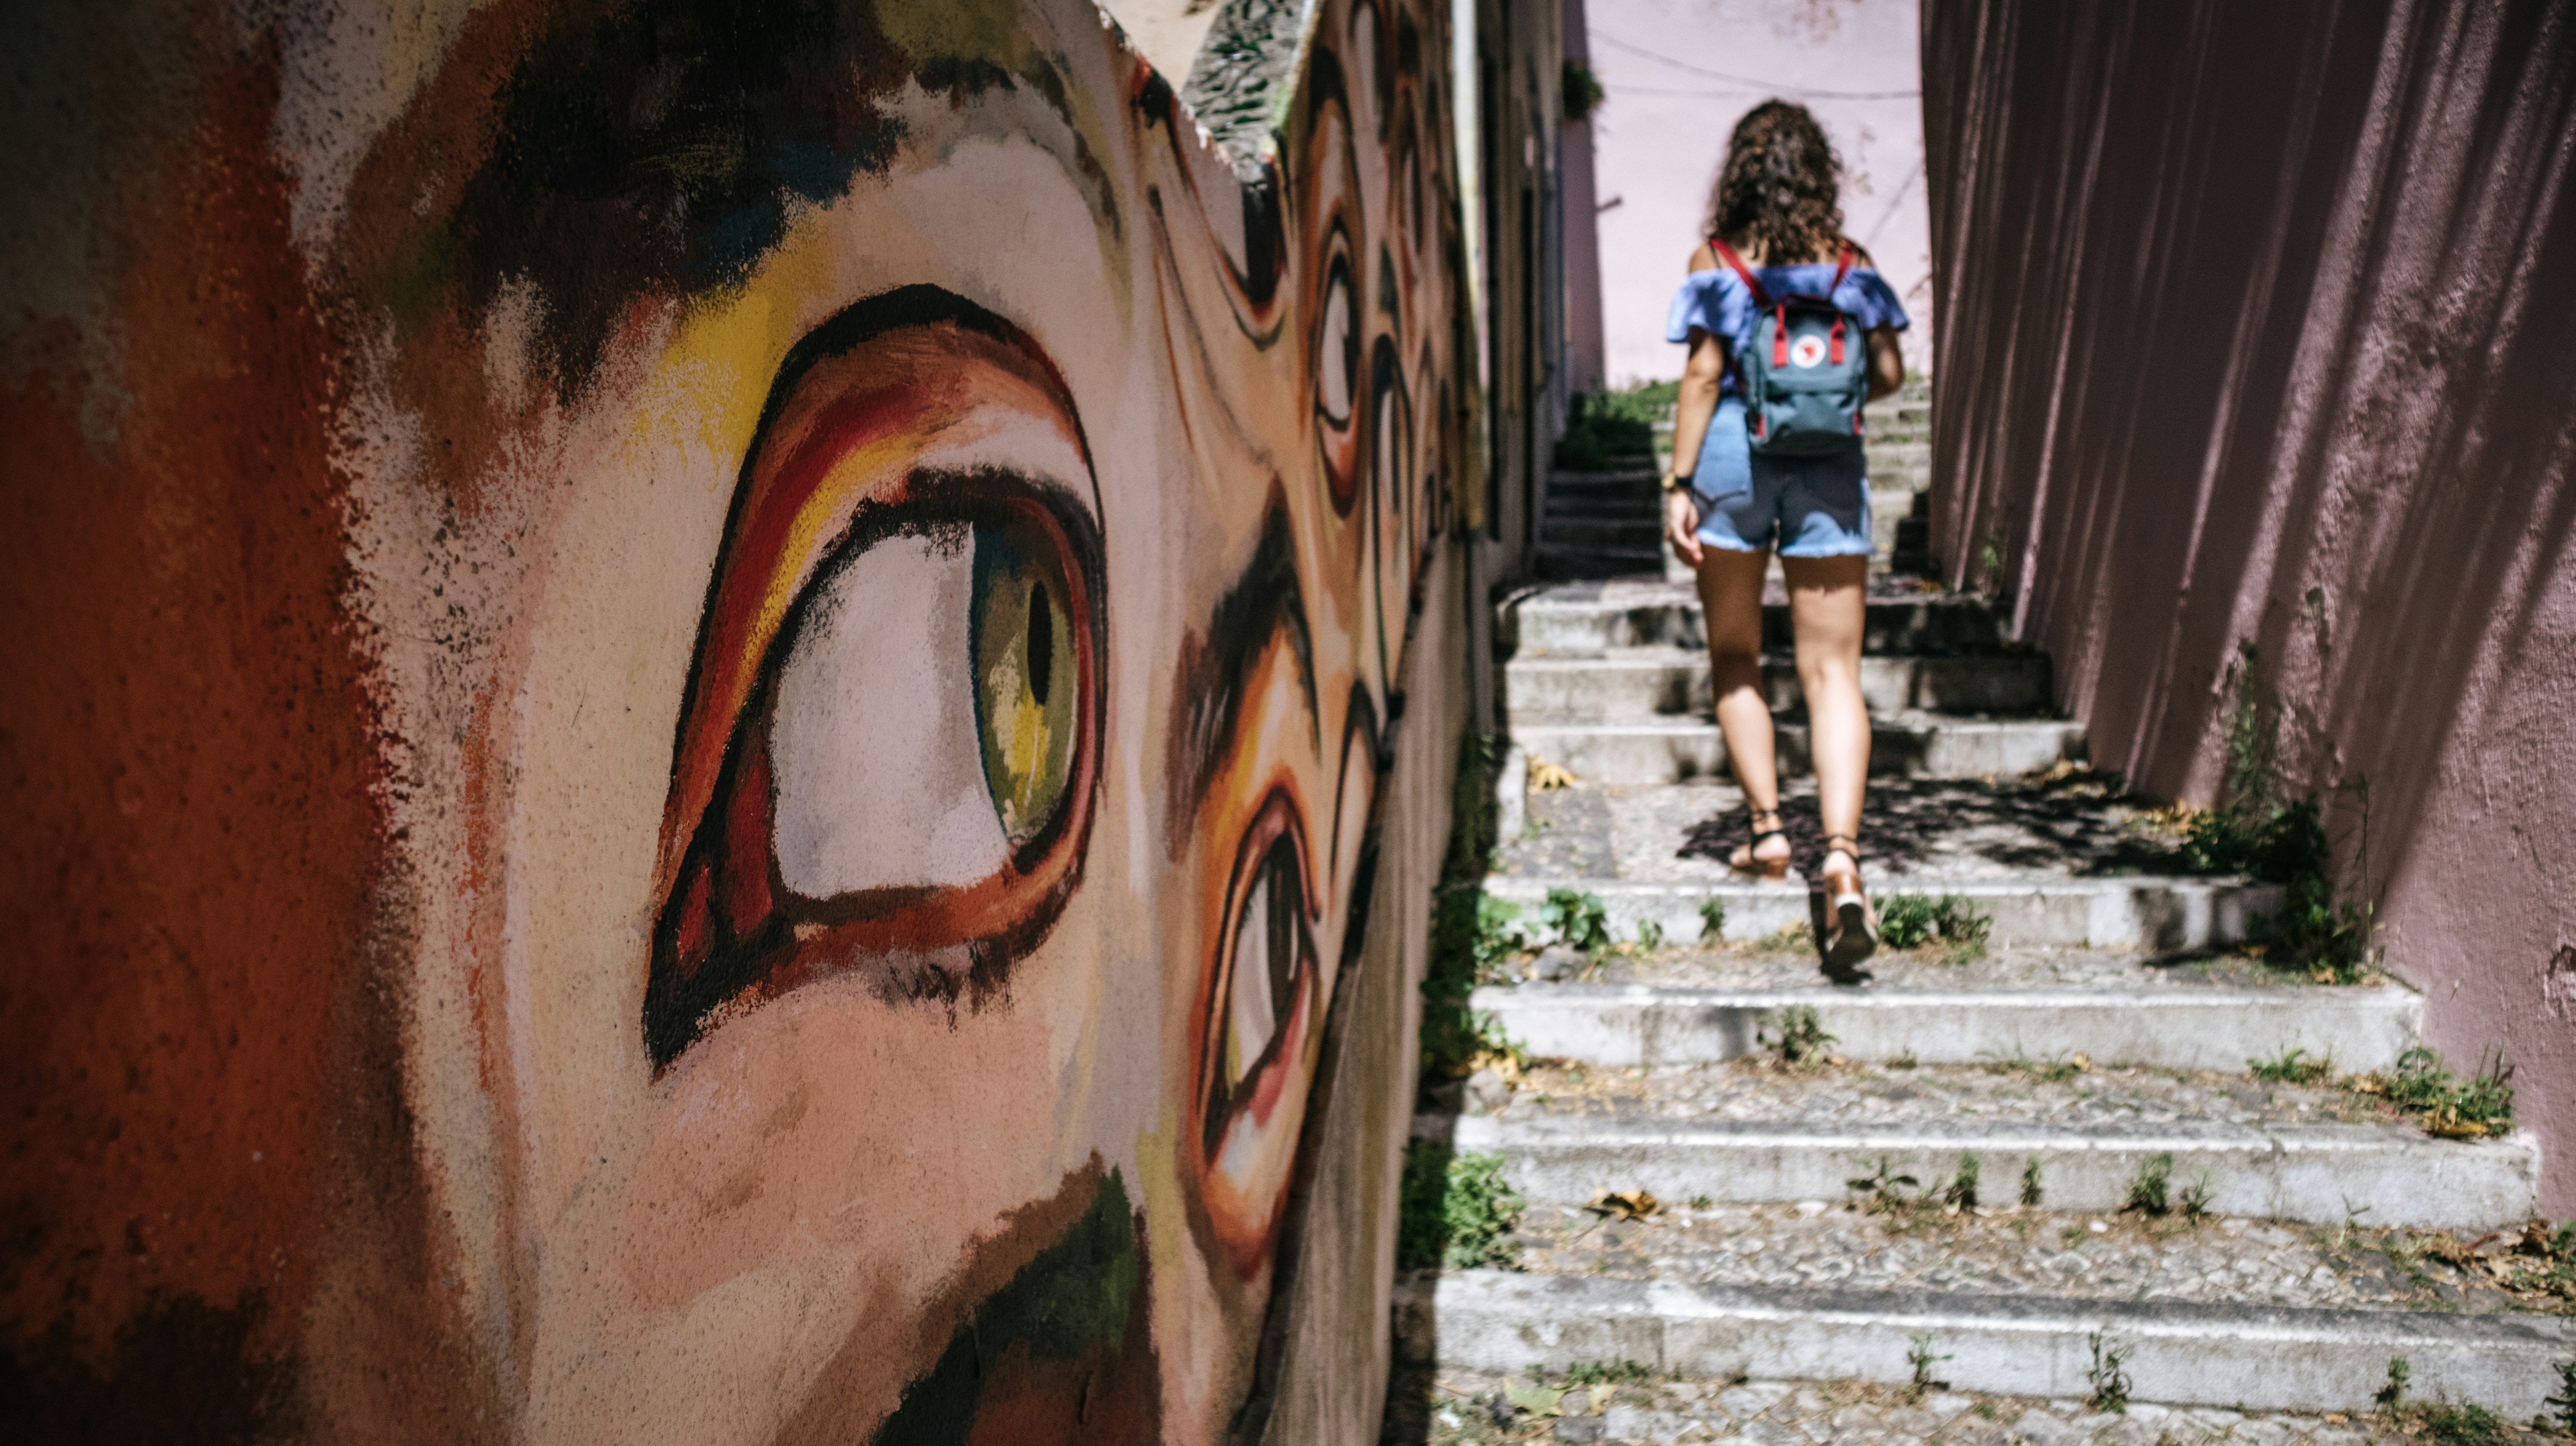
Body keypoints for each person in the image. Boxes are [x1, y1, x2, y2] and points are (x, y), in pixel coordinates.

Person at [1659, 100, 1909, 972]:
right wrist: (1821, 404)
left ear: (1741, 172)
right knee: (1834, 671)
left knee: (1735, 655)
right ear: (1819, 175)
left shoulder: (1716, 262)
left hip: (1729, 459)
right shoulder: (1852, 265)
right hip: (1829, 467)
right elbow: (1887, 372)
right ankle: (1841, 857)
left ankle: (1769, 832)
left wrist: (1679, 484)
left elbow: (1701, 374)